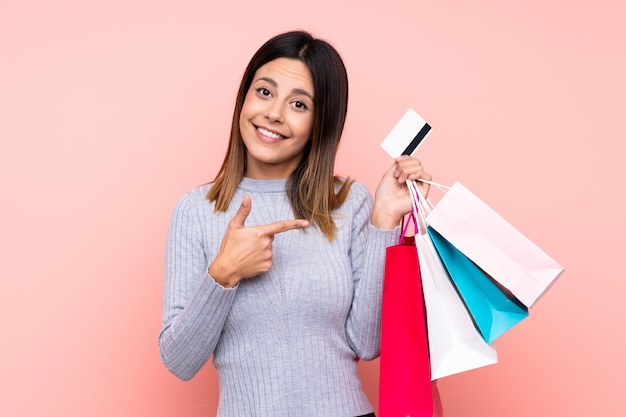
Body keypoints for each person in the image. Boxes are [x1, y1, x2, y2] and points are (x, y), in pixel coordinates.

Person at [158, 30, 431, 417]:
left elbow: (366, 344)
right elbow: (179, 362)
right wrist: (224, 274)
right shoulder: (195, 211)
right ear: (244, 98)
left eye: (299, 104)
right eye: (265, 92)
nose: (274, 113)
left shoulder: (349, 202)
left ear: (321, 122)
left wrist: (384, 220)